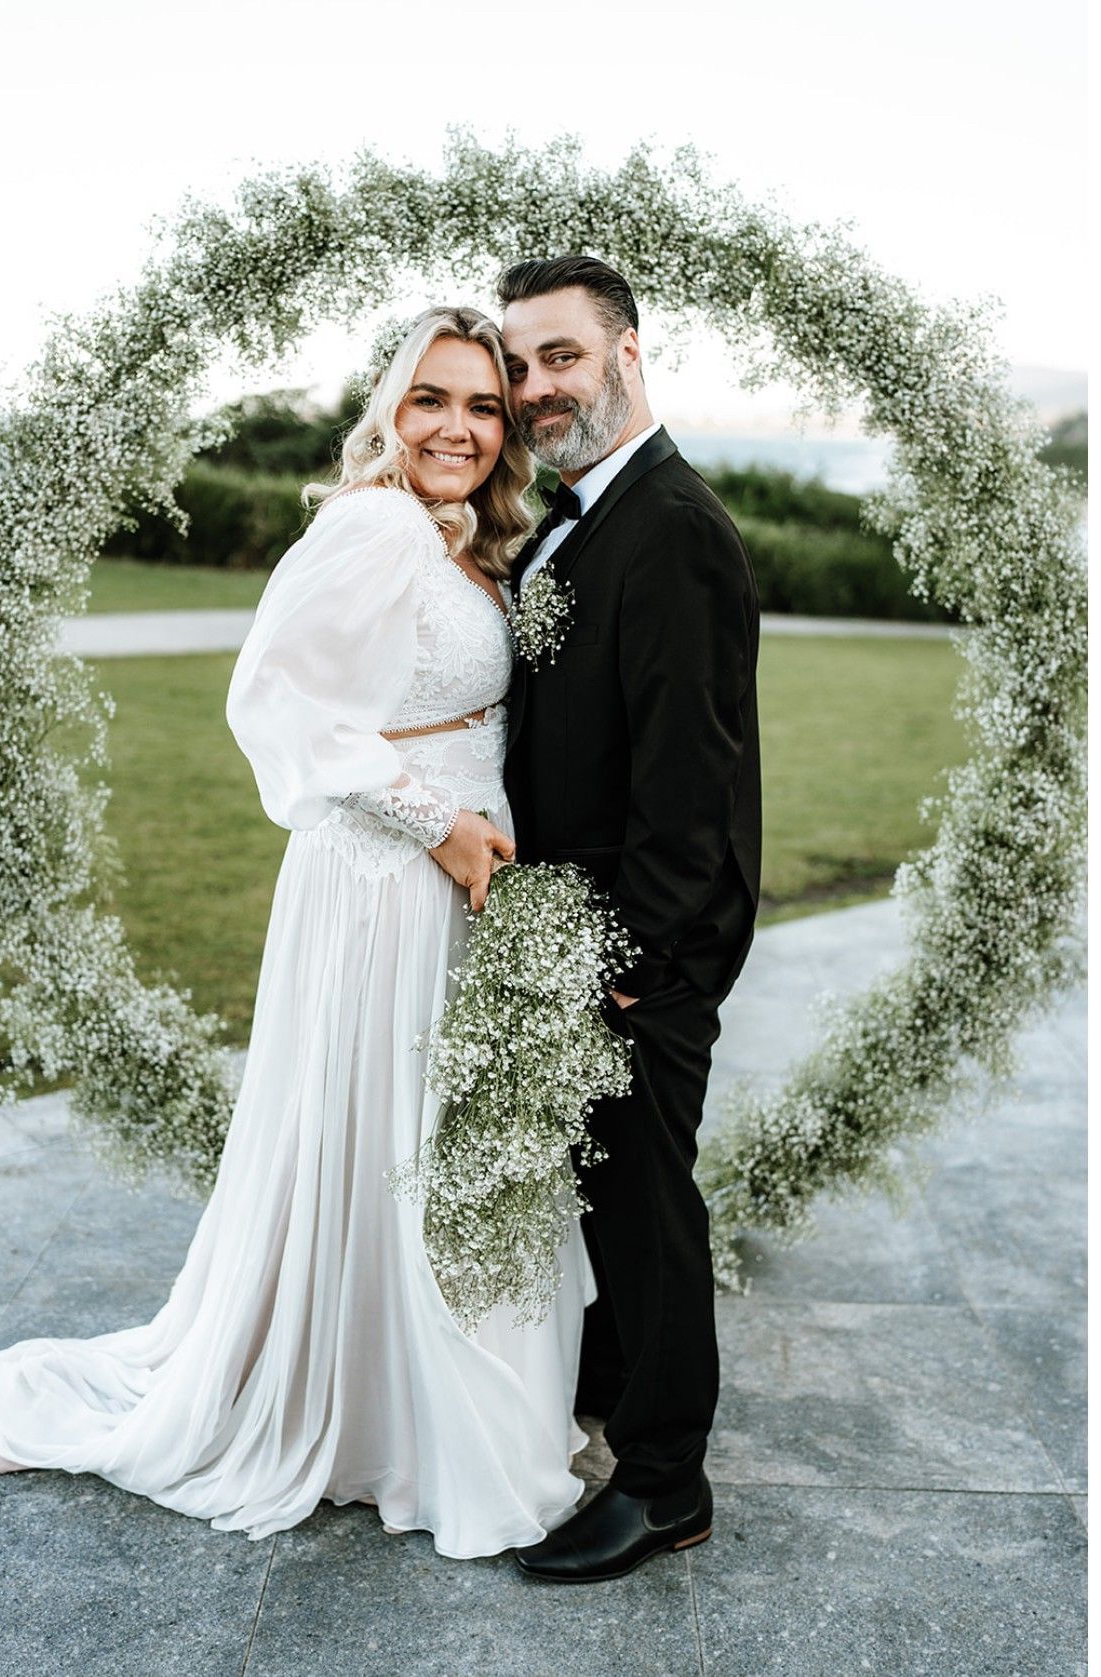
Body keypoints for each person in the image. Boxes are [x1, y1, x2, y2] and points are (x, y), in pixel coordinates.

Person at [0, 306, 599, 1561]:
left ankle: (406, 1397)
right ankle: (380, 1417)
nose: (457, 428)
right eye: (430, 401)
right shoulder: (374, 523)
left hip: (448, 875)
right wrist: (437, 823)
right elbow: (276, 698)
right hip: (389, 877)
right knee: (383, 1137)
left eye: (482, 407)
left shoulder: (461, 537)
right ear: (389, 413)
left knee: (430, 1139)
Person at [498, 256, 762, 1583]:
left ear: (627, 354)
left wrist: (635, 960)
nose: (535, 386)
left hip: (633, 943)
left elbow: (689, 774)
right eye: (519, 363)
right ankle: (604, 1377)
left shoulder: (666, 526)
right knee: (604, 1194)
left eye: (559, 356)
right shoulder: (582, 515)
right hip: (574, 927)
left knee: (646, 1206)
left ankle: (663, 1485)